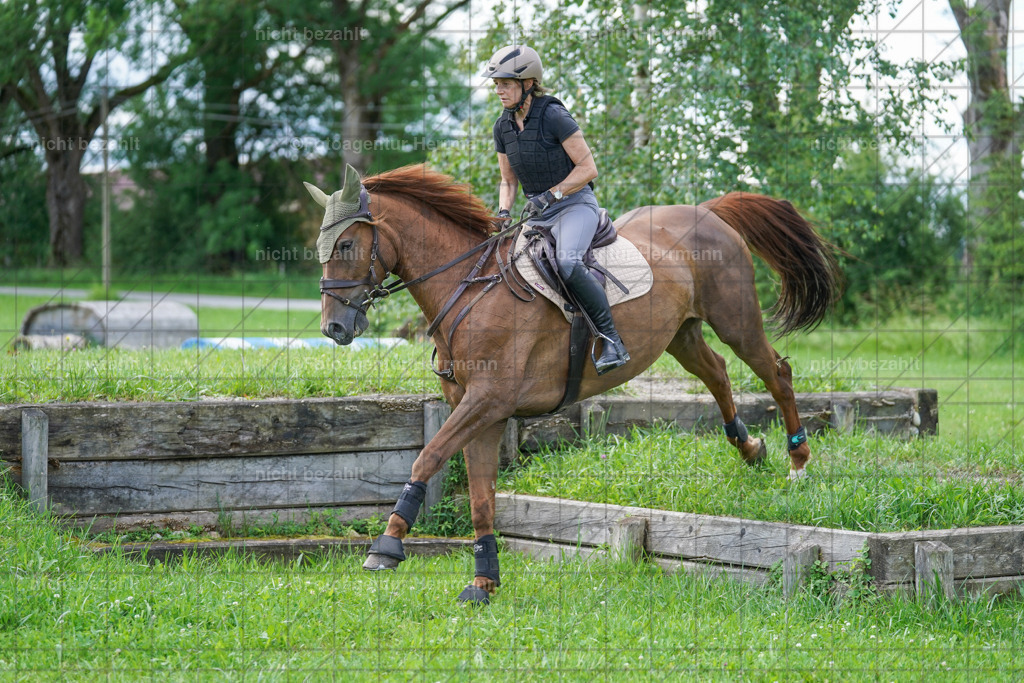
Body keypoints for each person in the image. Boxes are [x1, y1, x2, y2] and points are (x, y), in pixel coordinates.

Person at [482, 45, 630, 375]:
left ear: (528, 83)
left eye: (505, 83)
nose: (499, 90)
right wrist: (503, 212)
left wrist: (552, 194)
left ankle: (612, 340)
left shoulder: (554, 116)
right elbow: (508, 181)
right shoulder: (502, 127)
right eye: (496, 84)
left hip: (575, 205)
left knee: (568, 261)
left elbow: (588, 168)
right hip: (539, 213)